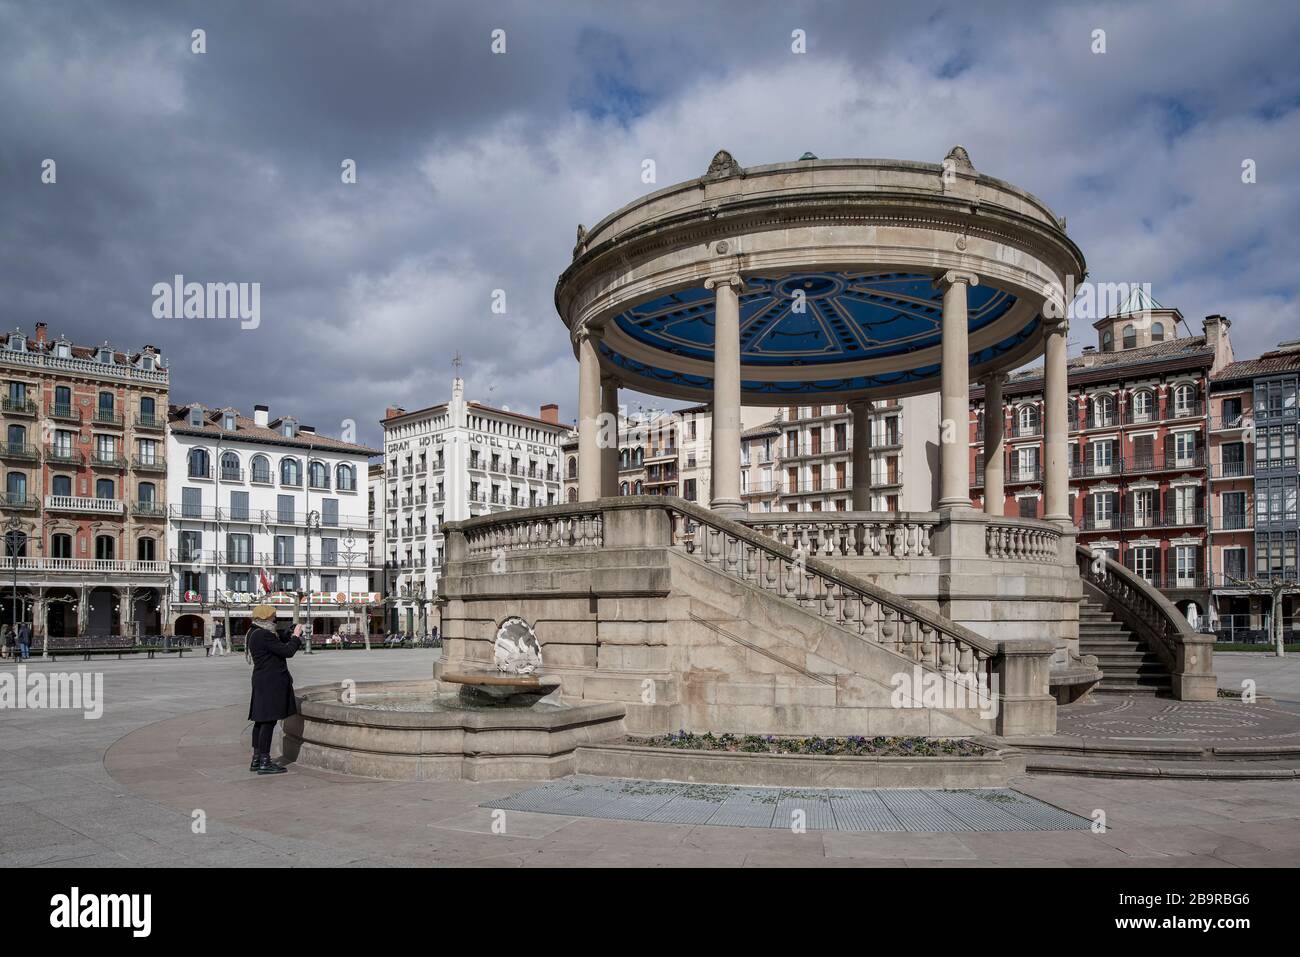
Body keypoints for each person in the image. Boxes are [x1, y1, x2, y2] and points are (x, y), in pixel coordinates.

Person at [246, 604, 303, 775]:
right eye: (273, 616)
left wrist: (288, 633)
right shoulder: (264, 635)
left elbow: (276, 642)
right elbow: (287, 651)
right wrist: (296, 637)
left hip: (262, 680)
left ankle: (256, 759)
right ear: (265, 618)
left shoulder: (255, 632)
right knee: (268, 721)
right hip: (271, 682)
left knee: (260, 721)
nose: (275, 619)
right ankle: (265, 761)